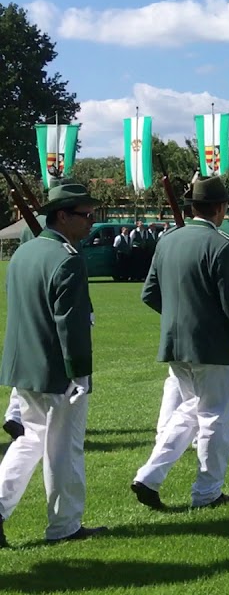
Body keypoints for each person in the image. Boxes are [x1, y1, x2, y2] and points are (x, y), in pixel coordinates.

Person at [133, 175, 229, 510]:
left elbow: (150, 293)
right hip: (210, 344)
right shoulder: (221, 245)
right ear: (220, 207)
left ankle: (150, 476)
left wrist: (179, 316)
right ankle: (207, 491)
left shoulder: (168, 240)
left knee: (190, 411)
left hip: (175, 341)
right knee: (214, 415)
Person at [0, 181, 106, 546]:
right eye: (85, 215)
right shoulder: (67, 259)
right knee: (64, 448)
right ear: (63, 216)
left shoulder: (24, 253)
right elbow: (70, 325)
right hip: (57, 369)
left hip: (24, 365)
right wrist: (80, 373)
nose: (91, 221)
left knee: (29, 440)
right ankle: (64, 525)